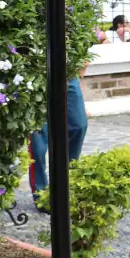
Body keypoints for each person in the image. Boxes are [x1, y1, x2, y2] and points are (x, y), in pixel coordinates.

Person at [28, 58, 89, 203]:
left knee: (79, 125)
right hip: (35, 72)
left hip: (68, 72)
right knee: (38, 140)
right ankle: (41, 193)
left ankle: (67, 184)